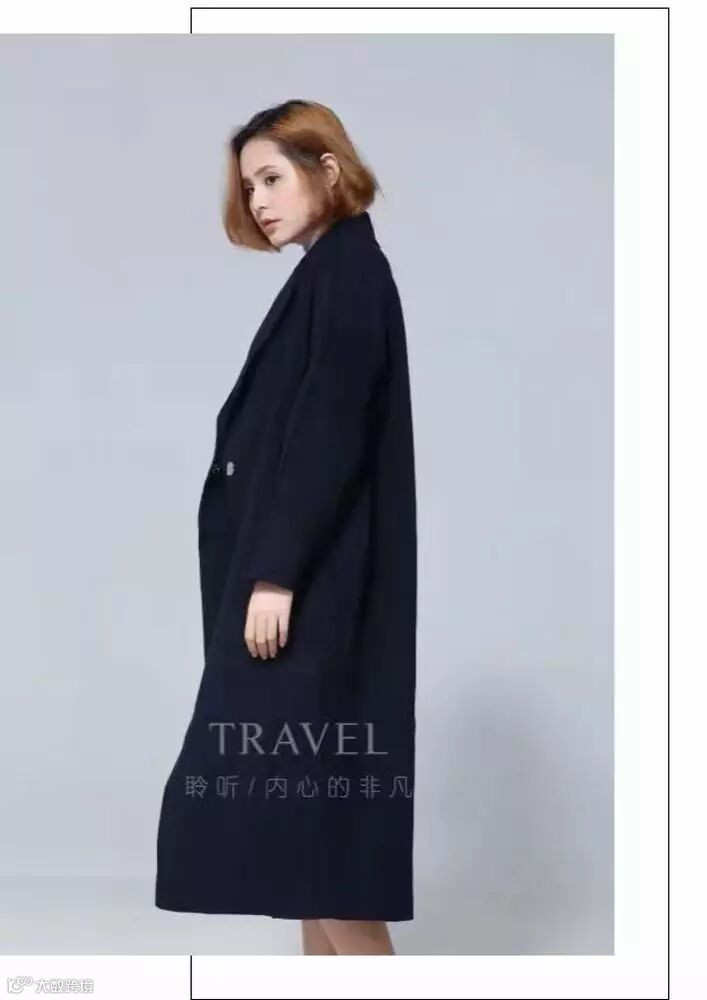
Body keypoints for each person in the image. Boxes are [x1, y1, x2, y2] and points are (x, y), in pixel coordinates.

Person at [155, 99, 417, 956]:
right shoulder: (331, 271)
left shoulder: (348, 273)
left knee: (318, 841)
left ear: (327, 168)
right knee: (304, 840)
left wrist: (275, 573)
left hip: (310, 594)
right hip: (307, 588)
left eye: (271, 177)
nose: (257, 200)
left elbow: (328, 433)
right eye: (248, 186)